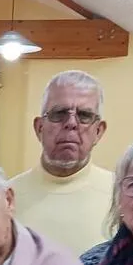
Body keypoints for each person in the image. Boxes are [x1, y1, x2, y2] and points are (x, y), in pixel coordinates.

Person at [10, 71, 113, 255]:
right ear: (39, 127)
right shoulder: (5, 198)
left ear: (99, 131)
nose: (71, 123)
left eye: (84, 115)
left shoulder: (122, 196)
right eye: (59, 114)